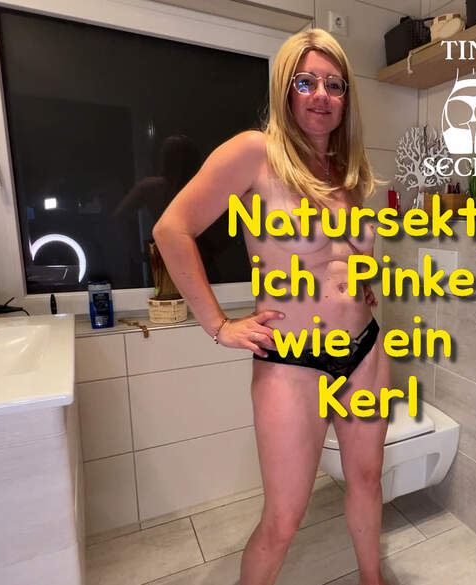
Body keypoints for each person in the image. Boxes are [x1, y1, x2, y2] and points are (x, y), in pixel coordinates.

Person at [153, 29, 389, 585]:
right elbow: (171, 229)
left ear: (346, 97)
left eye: (334, 84)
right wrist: (218, 325)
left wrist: (364, 277)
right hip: (291, 362)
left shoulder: (347, 170)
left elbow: (342, 252)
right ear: (285, 89)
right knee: (284, 520)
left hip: (365, 349)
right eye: (306, 82)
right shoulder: (254, 153)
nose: (321, 95)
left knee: (367, 480)